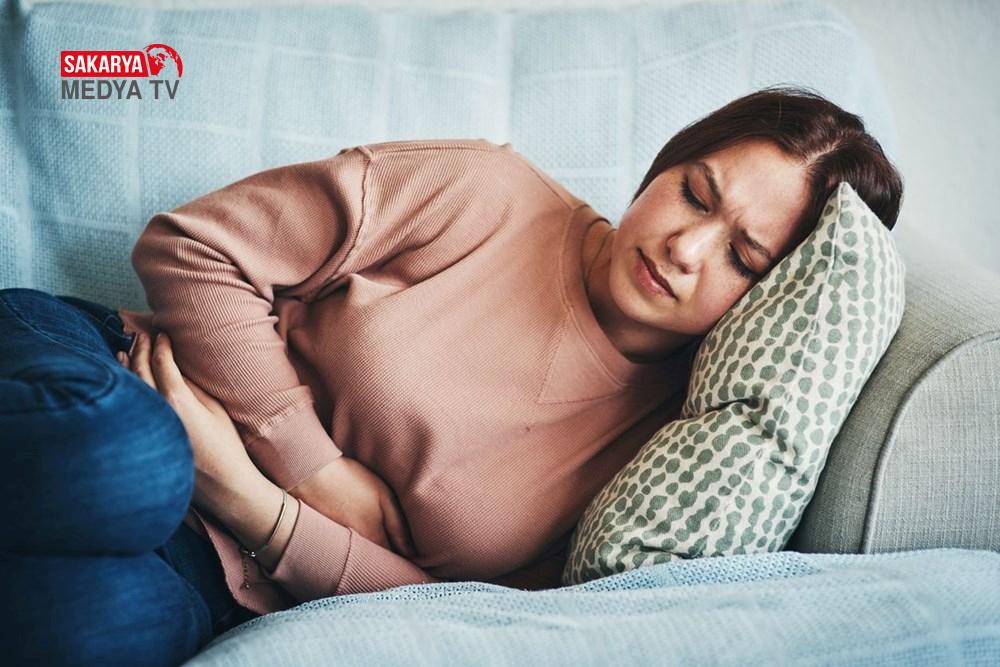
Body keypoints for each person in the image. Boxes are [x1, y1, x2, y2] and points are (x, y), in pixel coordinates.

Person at [0, 84, 903, 665]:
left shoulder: (664, 455)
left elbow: (474, 615)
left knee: (88, 625)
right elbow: (194, 248)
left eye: (743, 257)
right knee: (130, 469)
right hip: (118, 384)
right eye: (695, 193)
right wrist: (313, 467)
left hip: (213, 576)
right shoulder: (487, 191)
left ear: (772, 299)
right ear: (664, 165)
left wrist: (256, 504)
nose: (687, 246)